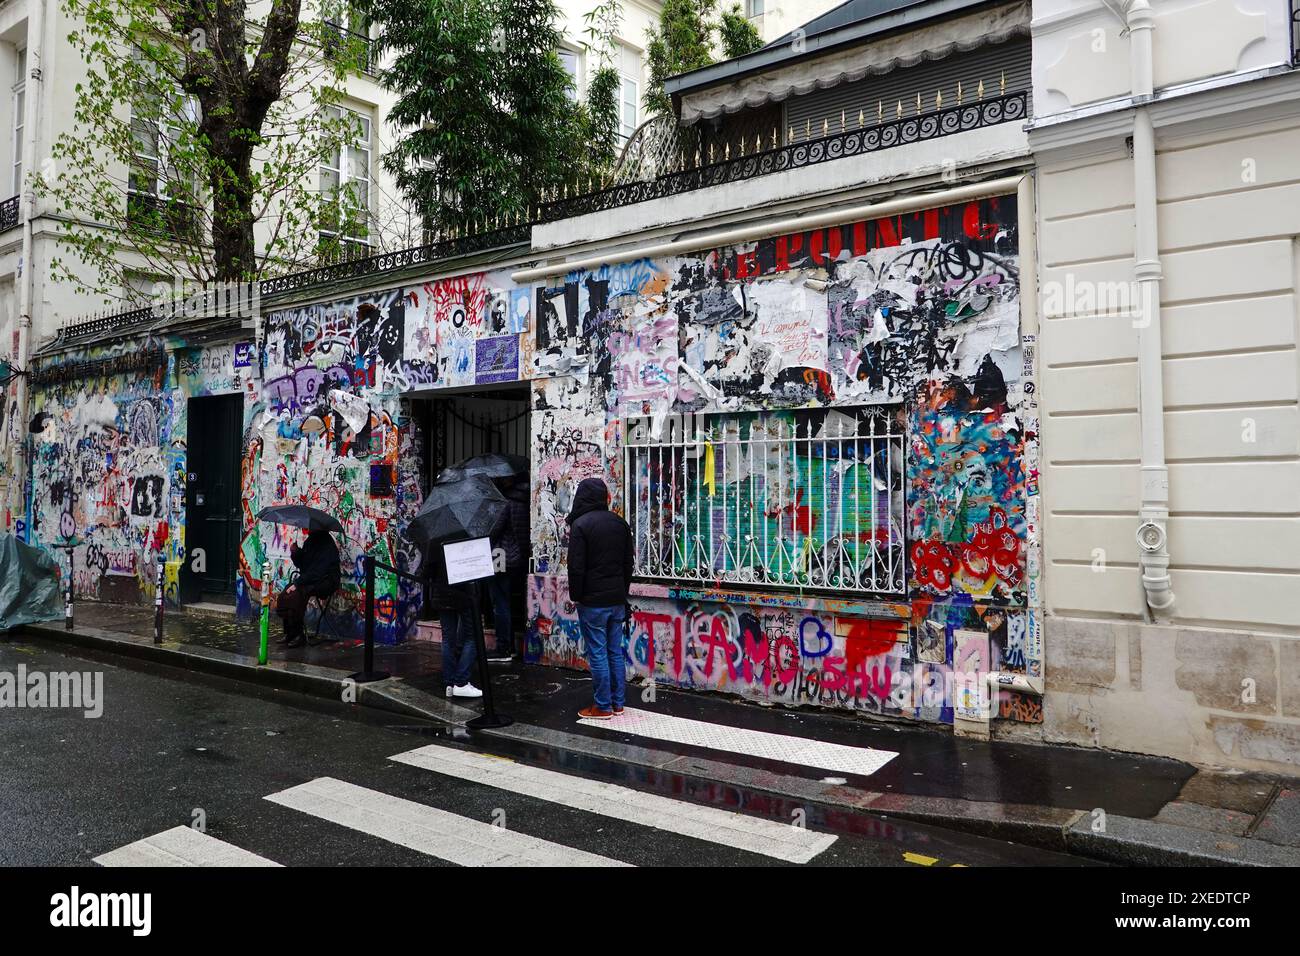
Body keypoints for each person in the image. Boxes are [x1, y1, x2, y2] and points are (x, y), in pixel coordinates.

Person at [566, 477, 633, 719]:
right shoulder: (620, 523)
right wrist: (622, 591)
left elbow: (576, 567)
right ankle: (618, 703)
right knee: (614, 652)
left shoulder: (581, 526)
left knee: (598, 653)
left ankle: (602, 706)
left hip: (593, 602)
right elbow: (628, 564)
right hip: (616, 600)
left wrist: (577, 596)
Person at [426, 540, 482, 698]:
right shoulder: (467, 536)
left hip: (442, 595)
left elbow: (426, 572)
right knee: (473, 637)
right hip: (464, 593)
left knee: (448, 640)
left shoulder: (435, 539)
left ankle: (449, 683)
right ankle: (461, 682)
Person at [486, 476, 530, 662]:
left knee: (500, 603)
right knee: (510, 602)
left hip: (501, 558)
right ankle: (509, 646)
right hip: (517, 557)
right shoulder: (524, 500)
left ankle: (504, 647)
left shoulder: (505, 503)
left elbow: (493, 531)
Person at [277, 529, 341, 648]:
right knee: (286, 593)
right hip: (311, 580)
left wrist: (297, 583)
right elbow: (304, 565)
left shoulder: (326, 545)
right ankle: (290, 633)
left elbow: (318, 571)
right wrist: (296, 553)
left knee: (298, 594)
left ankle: (298, 635)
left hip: (326, 581)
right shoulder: (310, 541)